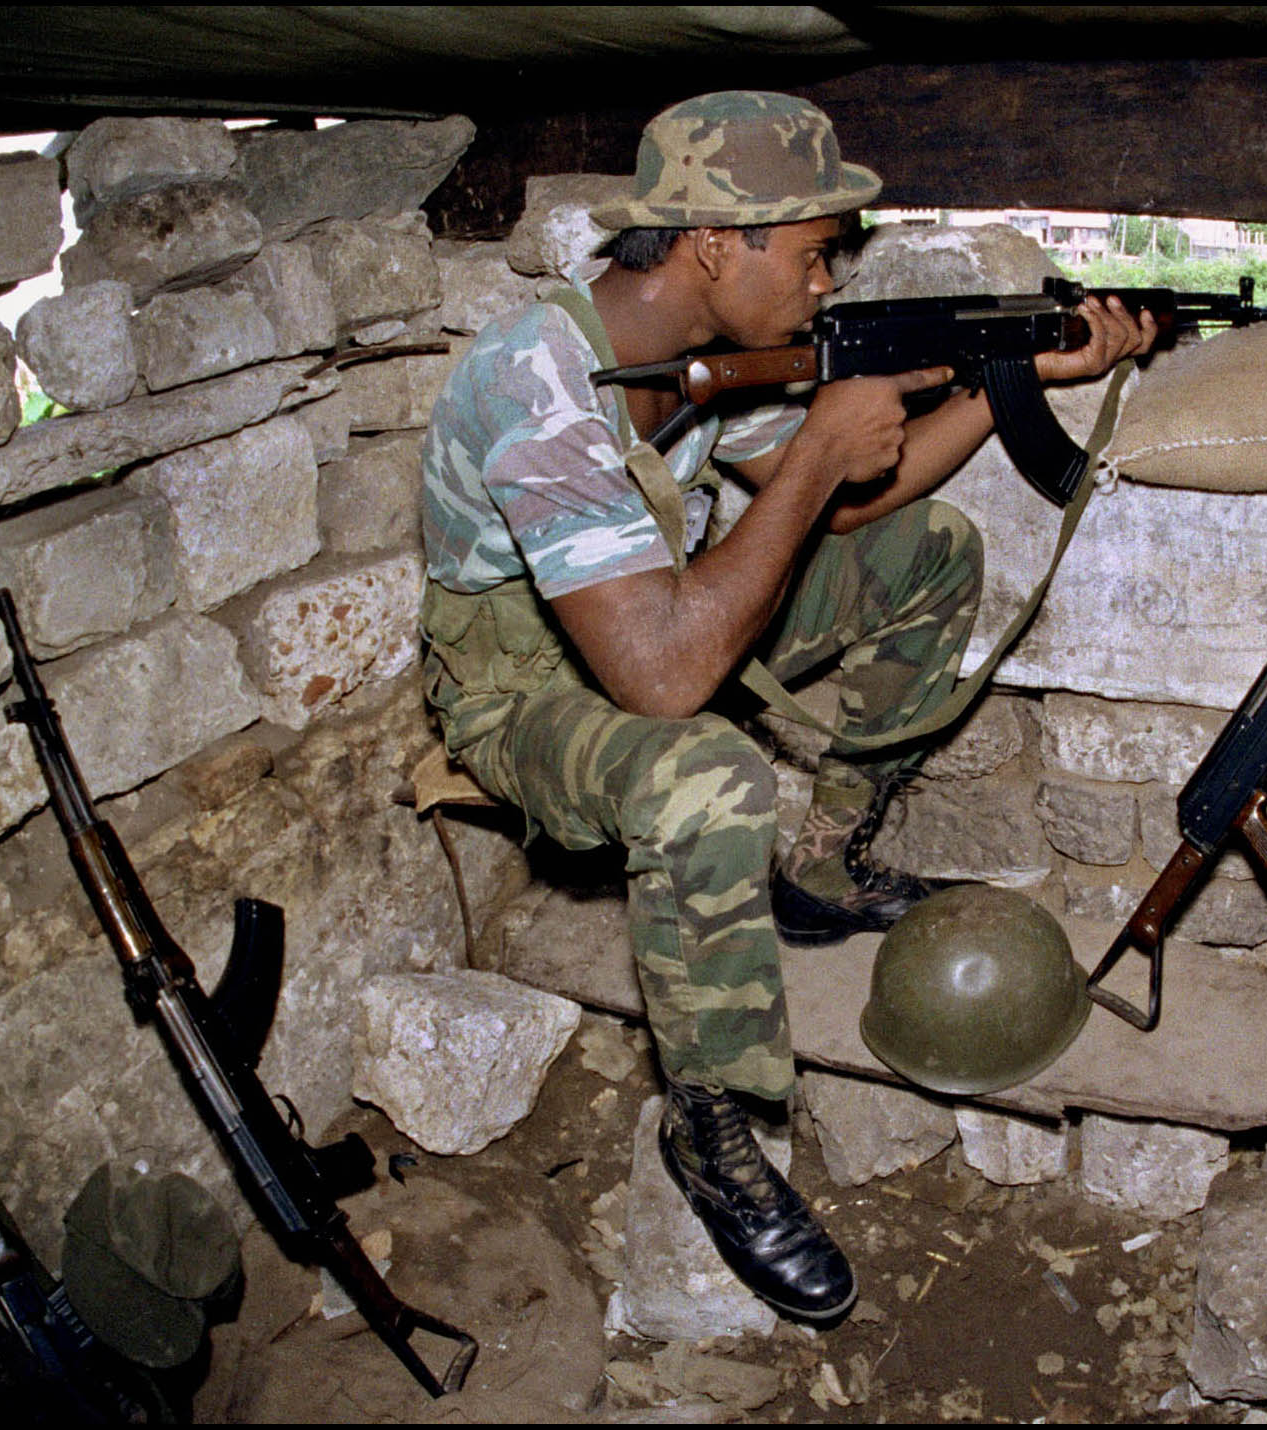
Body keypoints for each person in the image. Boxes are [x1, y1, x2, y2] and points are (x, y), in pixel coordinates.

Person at [419, 90, 1154, 1322]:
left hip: (650, 620)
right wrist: (816, 450)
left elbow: (861, 503)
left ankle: (820, 862)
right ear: (717, 246)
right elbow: (660, 680)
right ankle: (713, 1123)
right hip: (519, 692)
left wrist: (1010, 377)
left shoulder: (717, 355)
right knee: (705, 772)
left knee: (931, 549)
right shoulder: (532, 382)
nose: (829, 284)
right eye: (815, 256)